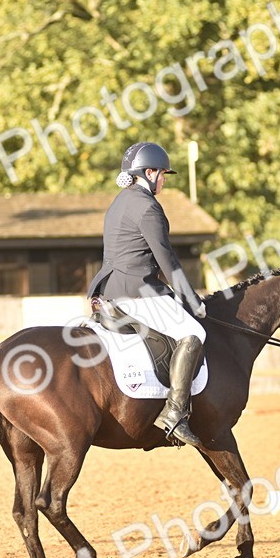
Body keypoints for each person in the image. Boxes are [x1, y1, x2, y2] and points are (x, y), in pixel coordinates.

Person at [86, 141, 208, 448]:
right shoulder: (148, 206)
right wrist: (191, 298)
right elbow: (166, 259)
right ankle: (175, 413)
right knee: (194, 333)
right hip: (137, 291)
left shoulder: (120, 202)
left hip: (110, 290)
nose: (164, 180)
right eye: (163, 174)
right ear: (149, 172)